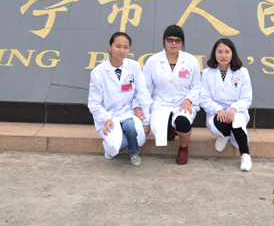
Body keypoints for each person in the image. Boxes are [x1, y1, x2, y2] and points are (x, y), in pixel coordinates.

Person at [87, 32, 152, 166]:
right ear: (109, 46)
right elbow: (94, 103)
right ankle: (114, 146)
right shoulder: (98, 72)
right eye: (118, 46)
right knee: (118, 145)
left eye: (125, 47)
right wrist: (105, 118)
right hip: (109, 114)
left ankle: (134, 153)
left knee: (131, 127)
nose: (122, 51)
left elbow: (142, 94)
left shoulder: (134, 66)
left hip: (128, 111)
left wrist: (145, 120)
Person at [142, 25, 201, 164]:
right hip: (161, 102)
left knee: (182, 121)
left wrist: (189, 100)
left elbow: (197, 85)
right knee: (161, 128)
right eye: (170, 40)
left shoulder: (191, 61)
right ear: (164, 40)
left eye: (177, 40)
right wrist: (145, 114)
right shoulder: (153, 61)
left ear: (182, 42)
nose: (173, 43)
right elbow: (145, 88)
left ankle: (183, 147)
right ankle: (170, 129)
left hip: (183, 102)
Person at [200, 38, 253, 172]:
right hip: (216, 112)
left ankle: (245, 155)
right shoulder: (207, 73)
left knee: (236, 122)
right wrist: (218, 109)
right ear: (214, 53)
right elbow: (204, 98)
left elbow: (246, 98)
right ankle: (226, 135)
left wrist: (233, 108)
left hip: (237, 111)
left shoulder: (242, 72)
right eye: (220, 52)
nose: (223, 55)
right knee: (220, 122)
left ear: (232, 53)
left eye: (227, 52)